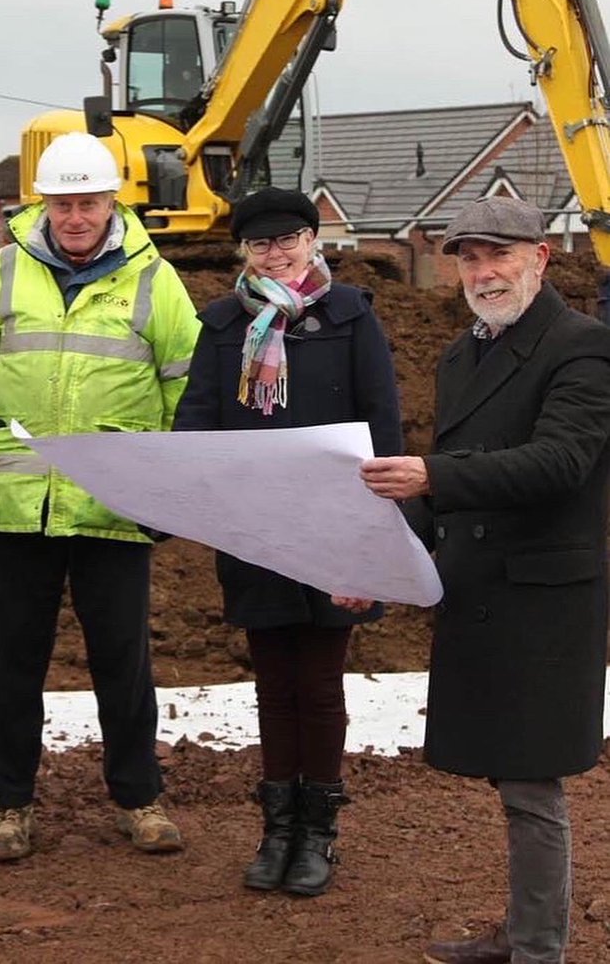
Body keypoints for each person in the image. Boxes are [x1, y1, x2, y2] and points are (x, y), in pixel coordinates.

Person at [361, 195, 610, 964]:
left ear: (539, 258)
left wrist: (431, 475)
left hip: (544, 597)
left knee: (533, 782)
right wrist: (373, 563)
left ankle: (540, 949)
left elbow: (559, 462)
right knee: (508, 774)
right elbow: (443, 494)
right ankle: (523, 931)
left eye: (498, 255)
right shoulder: (459, 352)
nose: (482, 271)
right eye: (468, 257)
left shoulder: (583, 349)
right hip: (478, 591)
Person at [0, 131, 199, 862]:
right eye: (62, 204)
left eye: (87, 202)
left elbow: (183, 383)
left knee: (121, 662)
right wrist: (9, 436)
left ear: (110, 202)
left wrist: (150, 478)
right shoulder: (2, 272)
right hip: (17, 507)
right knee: (14, 664)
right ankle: (9, 805)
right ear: (43, 205)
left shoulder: (154, 280)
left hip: (112, 505)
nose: (74, 216)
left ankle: (139, 797)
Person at [172, 187, 402, 897]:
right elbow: (197, 424)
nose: (277, 253)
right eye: (261, 244)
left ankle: (319, 832)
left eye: (289, 239)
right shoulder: (218, 328)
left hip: (337, 527)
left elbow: (381, 423)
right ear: (244, 252)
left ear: (312, 239)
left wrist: (373, 538)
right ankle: (277, 830)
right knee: (275, 684)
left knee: (320, 682)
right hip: (257, 529)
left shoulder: (350, 316)